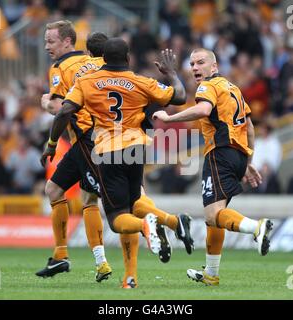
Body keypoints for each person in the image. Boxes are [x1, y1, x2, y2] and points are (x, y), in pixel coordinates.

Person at [41, 38, 188, 288]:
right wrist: (172, 73)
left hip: (106, 148)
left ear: (100, 60)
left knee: (117, 218)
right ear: (128, 58)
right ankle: (138, 263)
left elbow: (64, 111)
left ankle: (147, 226)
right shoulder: (141, 81)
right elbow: (181, 97)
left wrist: (52, 142)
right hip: (137, 149)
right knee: (132, 201)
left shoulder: (86, 81)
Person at [153, 48, 273, 286]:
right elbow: (248, 127)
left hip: (219, 154)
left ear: (214, 67)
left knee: (213, 214)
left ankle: (256, 228)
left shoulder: (207, 87)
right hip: (237, 155)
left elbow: (203, 110)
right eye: (192, 64)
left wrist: (169, 118)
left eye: (201, 62)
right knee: (213, 218)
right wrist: (248, 162)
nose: (195, 68)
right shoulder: (233, 88)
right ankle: (211, 273)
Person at [36, 21, 112, 282]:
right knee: (60, 191)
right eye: (46, 41)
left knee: (120, 202)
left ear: (68, 41)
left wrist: (45, 101)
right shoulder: (96, 62)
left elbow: (58, 108)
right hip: (105, 136)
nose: (47, 47)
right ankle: (64, 257)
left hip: (87, 139)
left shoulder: (60, 67)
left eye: (51, 41)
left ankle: (162, 223)